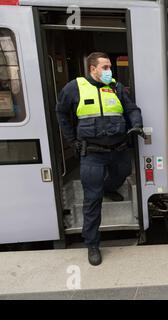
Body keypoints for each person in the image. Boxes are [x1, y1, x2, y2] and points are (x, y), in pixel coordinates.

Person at [56, 52, 143, 266]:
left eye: (109, 67)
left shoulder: (116, 87)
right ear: (92, 69)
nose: (108, 71)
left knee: (122, 172)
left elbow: (132, 109)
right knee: (92, 200)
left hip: (119, 149)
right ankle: (92, 244)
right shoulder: (74, 88)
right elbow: (61, 113)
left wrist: (136, 124)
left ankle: (108, 188)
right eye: (104, 67)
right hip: (92, 154)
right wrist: (71, 140)